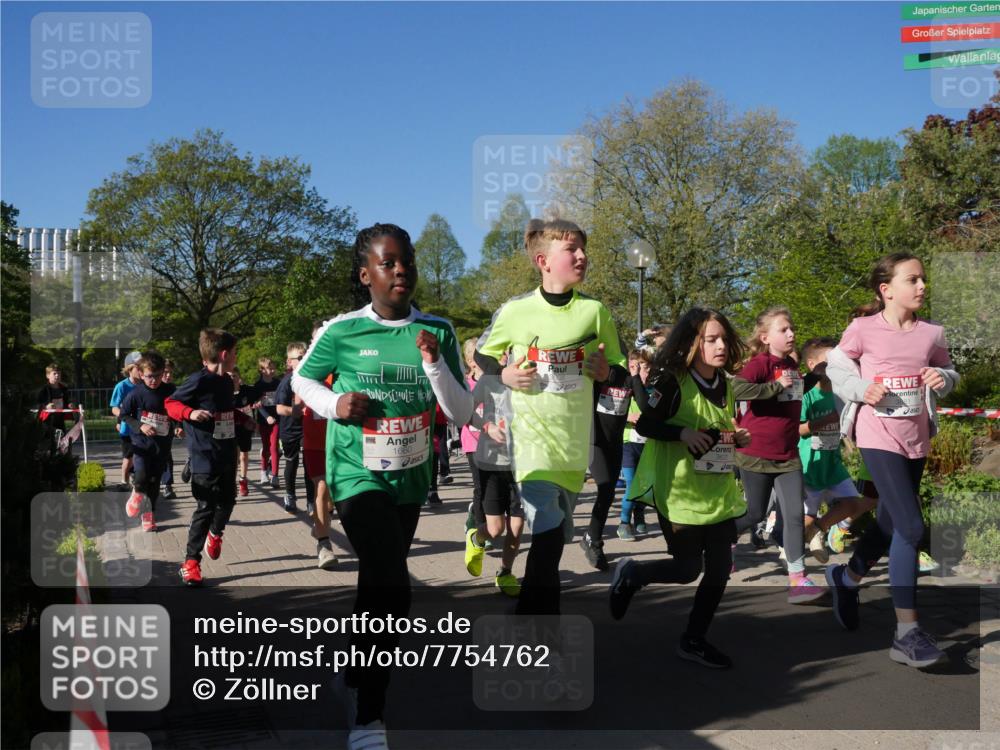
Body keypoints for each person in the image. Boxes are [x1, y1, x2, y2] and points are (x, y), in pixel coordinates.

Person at [292, 223, 470, 750]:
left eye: (407, 261)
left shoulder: (438, 330)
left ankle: (351, 673)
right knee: (391, 581)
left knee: (380, 586)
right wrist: (334, 404)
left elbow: (460, 411)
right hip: (355, 472)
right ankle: (369, 717)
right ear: (366, 273)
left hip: (409, 477)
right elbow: (302, 379)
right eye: (389, 263)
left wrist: (433, 363)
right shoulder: (341, 331)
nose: (401, 271)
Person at [475, 218, 627, 616]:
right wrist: (504, 374)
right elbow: (483, 355)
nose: (582, 256)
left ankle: (530, 610)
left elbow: (621, 368)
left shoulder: (595, 312)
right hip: (530, 441)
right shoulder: (516, 311)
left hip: (574, 443)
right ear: (543, 260)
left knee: (555, 534)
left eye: (583, 249)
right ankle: (543, 624)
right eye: (571, 250)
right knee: (546, 530)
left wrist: (605, 372)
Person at [825, 252, 959, 667]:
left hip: (915, 438)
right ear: (887, 290)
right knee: (911, 524)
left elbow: (949, 371)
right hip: (876, 435)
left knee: (888, 522)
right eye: (913, 280)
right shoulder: (862, 329)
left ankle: (846, 580)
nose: (922, 287)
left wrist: (945, 379)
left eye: (923, 280)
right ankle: (906, 634)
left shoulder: (931, 334)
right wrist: (861, 387)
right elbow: (836, 367)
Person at [609, 307, 751, 668]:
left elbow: (721, 428)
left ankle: (693, 639)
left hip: (717, 493)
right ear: (692, 343)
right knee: (688, 569)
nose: (720, 346)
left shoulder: (726, 384)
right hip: (679, 493)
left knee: (719, 570)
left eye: (723, 338)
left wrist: (738, 438)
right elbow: (646, 427)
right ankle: (633, 574)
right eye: (710, 340)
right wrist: (682, 433)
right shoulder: (671, 380)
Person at [733, 307, 825, 604]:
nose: (791, 334)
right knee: (755, 514)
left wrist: (814, 376)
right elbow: (738, 388)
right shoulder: (760, 363)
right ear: (765, 337)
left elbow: (794, 392)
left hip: (787, 455)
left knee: (795, 514)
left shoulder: (792, 367)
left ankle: (798, 579)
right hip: (756, 454)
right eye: (783, 330)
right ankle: (721, 541)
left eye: (792, 328)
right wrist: (773, 387)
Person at [165, 329, 254, 586]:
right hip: (203, 456)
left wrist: (243, 419)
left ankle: (216, 532)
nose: (236, 357)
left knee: (228, 502)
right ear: (224, 355)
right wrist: (189, 413)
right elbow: (171, 403)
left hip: (227, 453)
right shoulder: (199, 380)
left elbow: (225, 412)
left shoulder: (226, 382)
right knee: (205, 507)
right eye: (235, 353)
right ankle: (191, 562)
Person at [797, 337, 877, 562]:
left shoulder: (841, 393)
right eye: (829, 361)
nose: (835, 366)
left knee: (851, 504)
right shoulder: (806, 394)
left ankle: (817, 530)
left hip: (832, 463)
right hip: (809, 464)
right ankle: (792, 555)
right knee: (805, 518)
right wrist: (827, 421)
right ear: (812, 365)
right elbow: (799, 430)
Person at [464, 351, 524, 596]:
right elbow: (465, 412)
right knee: (496, 529)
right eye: (504, 352)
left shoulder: (530, 383)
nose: (507, 356)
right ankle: (476, 539)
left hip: (522, 465)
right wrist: (486, 426)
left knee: (518, 526)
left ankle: (505, 572)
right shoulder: (488, 381)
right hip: (491, 464)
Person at [580, 343, 641, 568]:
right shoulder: (593, 376)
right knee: (604, 487)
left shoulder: (626, 377)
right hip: (591, 439)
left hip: (614, 442)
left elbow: (641, 395)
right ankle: (591, 539)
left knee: (607, 493)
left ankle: (591, 539)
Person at [119, 352, 176, 532]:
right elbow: (124, 415)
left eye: (158, 375)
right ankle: (136, 492)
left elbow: (178, 410)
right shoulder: (136, 393)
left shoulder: (170, 391)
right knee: (142, 475)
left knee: (154, 481)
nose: (154, 380)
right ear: (141, 374)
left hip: (162, 444)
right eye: (150, 376)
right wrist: (140, 425)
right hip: (142, 443)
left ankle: (148, 514)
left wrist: (180, 425)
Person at [301, 320, 339, 570]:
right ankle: (324, 545)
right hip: (316, 442)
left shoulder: (344, 366)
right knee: (322, 487)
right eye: (317, 339)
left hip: (342, 440)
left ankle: (320, 526)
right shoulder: (307, 369)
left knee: (332, 496)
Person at [617, 348, 654, 542]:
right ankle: (624, 523)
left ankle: (639, 515)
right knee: (632, 485)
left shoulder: (654, 390)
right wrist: (628, 416)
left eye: (647, 367)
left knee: (645, 486)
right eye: (640, 367)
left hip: (648, 444)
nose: (645, 372)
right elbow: (610, 413)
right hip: (628, 442)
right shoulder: (626, 387)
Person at [275, 342, 314, 514]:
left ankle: (311, 500)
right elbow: (279, 408)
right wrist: (296, 411)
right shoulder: (286, 381)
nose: (303, 359)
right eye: (299, 358)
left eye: (304, 356)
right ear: (289, 362)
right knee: (291, 462)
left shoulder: (312, 378)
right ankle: (290, 496)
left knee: (309, 464)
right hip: (290, 428)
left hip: (307, 428)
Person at [110, 351, 143, 487]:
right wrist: (123, 418)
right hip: (127, 428)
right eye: (138, 368)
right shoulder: (121, 386)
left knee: (140, 455)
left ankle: (137, 479)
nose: (141, 371)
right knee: (128, 457)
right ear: (130, 369)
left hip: (142, 427)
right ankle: (124, 482)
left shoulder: (144, 385)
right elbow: (114, 408)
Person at [231, 367, 258, 497]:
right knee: (234, 456)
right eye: (230, 376)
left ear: (239, 377)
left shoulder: (246, 390)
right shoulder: (225, 393)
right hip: (230, 428)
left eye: (235, 376)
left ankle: (243, 479)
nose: (232, 379)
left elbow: (260, 393)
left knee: (243, 455)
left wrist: (257, 402)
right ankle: (232, 482)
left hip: (245, 428)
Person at [255, 357, 281, 487]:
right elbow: (257, 404)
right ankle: (264, 472)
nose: (271, 371)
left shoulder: (278, 383)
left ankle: (275, 475)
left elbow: (282, 399)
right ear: (261, 370)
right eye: (268, 368)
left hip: (276, 420)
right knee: (266, 447)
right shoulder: (258, 385)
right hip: (264, 420)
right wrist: (266, 417)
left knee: (274, 446)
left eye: (273, 368)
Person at [36, 363, 74, 450]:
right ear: (48, 375)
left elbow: (67, 401)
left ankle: (62, 459)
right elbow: (37, 404)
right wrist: (46, 406)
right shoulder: (44, 389)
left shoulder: (64, 389)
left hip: (60, 420)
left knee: (62, 442)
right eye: (54, 373)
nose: (57, 375)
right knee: (48, 443)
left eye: (59, 373)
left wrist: (69, 404)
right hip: (47, 422)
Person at [160, 360, 179, 500]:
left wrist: (179, 426)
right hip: (147, 429)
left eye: (170, 373)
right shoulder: (148, 387)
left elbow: (178, 409)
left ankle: (167, 485)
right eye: (165, 372)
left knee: (166, 454)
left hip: (166, 428)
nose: (168, 375)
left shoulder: (173, 389)